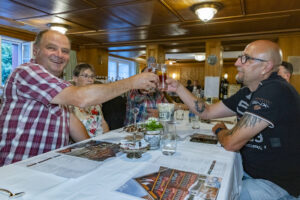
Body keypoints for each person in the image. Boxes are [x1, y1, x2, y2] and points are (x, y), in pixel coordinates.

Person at [0, 30, 158, 166]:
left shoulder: (59, 85)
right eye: (51, 48)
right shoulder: (27, 71)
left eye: (65, 51)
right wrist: (132, 82)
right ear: (35, 51)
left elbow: (71, 122)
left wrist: (98, 150)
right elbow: (81, 98)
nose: (59, 55)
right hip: (19, 165)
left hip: (49, 163)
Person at [166, 40, 300, 199]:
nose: (237, 63)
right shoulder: (247, 92)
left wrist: (219, 130)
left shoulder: (276, 89)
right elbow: (207, 112)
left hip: (274, 183)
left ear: (266, 67)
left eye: (245, 59)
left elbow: (231, 142)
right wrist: (179, 88)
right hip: (247, 170)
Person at [71, 63, 109, 137]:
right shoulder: (69, 102)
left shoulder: (95, 101)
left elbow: (103, 123)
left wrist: (108, 140)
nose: (90, 80)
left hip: (97, 142)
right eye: (85, 76)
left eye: (92, 77)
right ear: (75, 78)